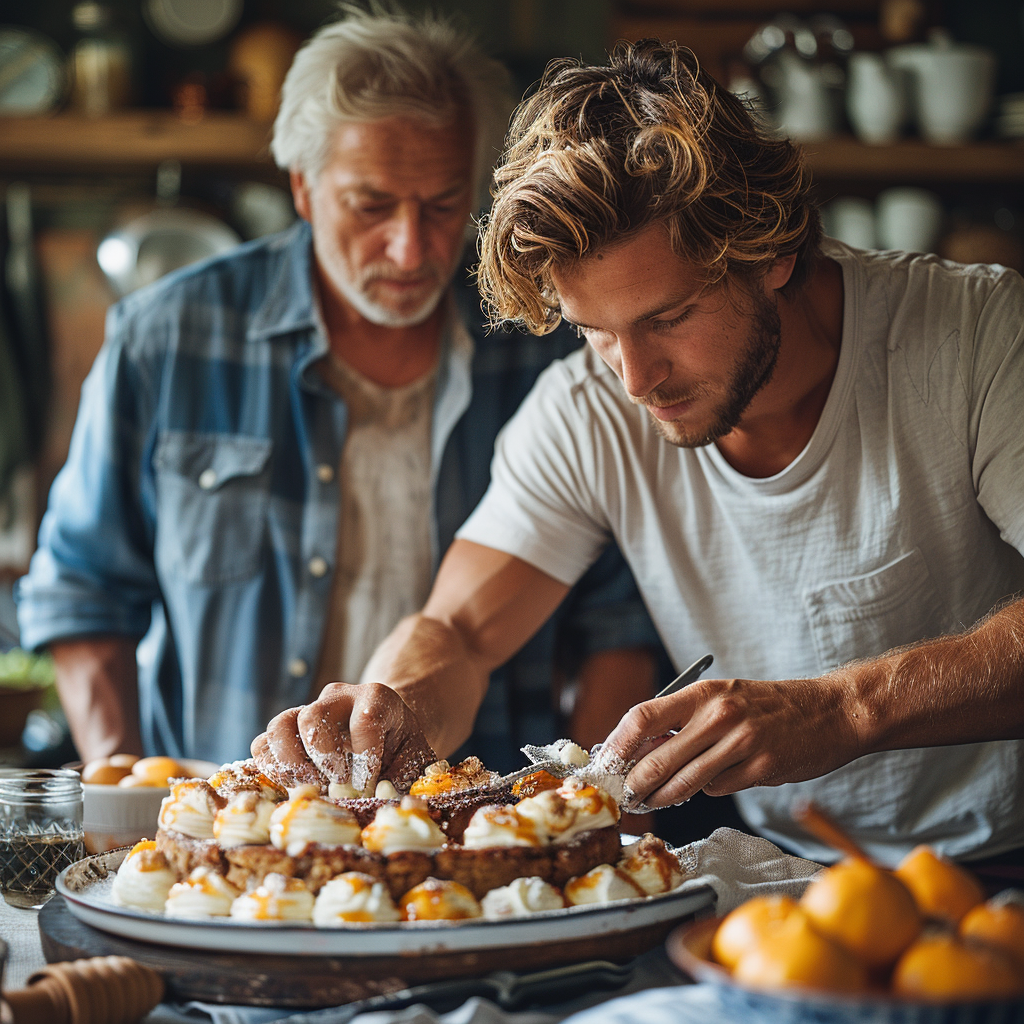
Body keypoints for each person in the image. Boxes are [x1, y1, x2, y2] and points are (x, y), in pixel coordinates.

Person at [261, 38, 1024, 866]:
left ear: (770, 251)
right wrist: (394, 707)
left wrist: (841, 709)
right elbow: (460, 632)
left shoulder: (979, 338)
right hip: (784, 879)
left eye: (668, 318)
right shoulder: (584, 414)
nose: (636, 377)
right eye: (594, 332)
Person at [14, 10, 663, 772]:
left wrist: (578, 806)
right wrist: (124, 790)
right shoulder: (169, 337)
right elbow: (84, 591)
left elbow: (617, 620)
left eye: (444, 204)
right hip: (222, 824)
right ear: (302, 186)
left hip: (469, 830)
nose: (411, 247)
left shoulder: (547, 348)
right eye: (372, 205)